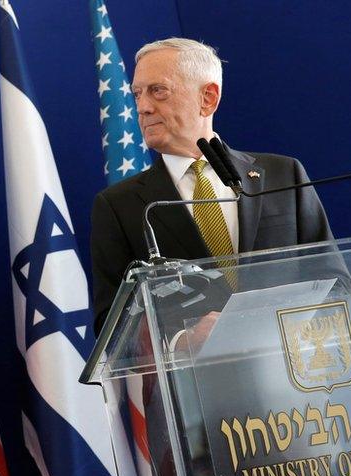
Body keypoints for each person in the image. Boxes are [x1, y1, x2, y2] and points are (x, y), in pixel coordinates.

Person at [90, 37, 334, 334]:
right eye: (138, 94)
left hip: (291, 371)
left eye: (158, 91)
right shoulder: (119, 205)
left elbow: (334, 279)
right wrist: (182, 342)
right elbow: (112, 325)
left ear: (208, 98)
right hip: (193, 377)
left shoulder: (284, 174)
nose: (142, 107)